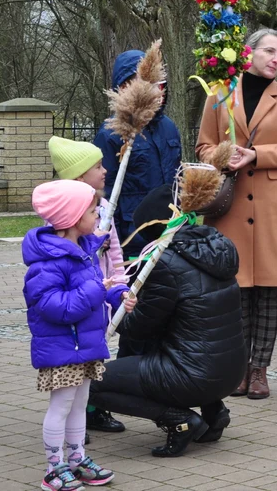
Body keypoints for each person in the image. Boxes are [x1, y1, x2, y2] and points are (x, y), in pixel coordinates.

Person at [89, 185, 247, 458]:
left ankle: (179, 420)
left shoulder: (164, 263)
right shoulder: (217, 246)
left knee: (93, 383)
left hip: (194, 375)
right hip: (231, 371)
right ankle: (214, 411)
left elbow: (137, 329)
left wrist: (117, 299)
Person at [196, 28, 277, 400]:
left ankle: (259, 371)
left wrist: (257, 156)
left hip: (273, 204)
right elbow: (202, 146)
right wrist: (221, 155)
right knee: (237, 290)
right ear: (249, 53)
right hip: (230, 206)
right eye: (270, 51)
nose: (276, 59)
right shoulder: (220, 92)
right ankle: (239, 368)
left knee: (268, 290)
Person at [24, 180, 133, 491]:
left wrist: (118, 295)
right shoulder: (47, 264)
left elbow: (98, 289)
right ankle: (53, 468)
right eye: (92, 211)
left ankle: (77, 458)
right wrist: (98, 289)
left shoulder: (84, 252)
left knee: (80, 402)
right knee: (61, 406)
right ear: (72, 218)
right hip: (62, 349)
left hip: (84, 345)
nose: (98, 216)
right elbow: (57, 308)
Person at [48, 136, 130, 436]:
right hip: (78, 301)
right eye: (97, 166)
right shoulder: (64, 215)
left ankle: (93, 411)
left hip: (102, 296)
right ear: (80, 176)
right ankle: (72, 423)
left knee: (97, 353)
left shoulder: (104, 207)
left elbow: (116, 252)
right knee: (78, 360)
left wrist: (120, 287)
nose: (105, 170)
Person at [94, 49, 182, 263]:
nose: (155, 89)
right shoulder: (111, 133)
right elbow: (104, 191)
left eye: (157, 82)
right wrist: (109, 235)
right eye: (146, 82)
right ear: (125, 86)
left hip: (170, 231)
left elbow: (176, 177)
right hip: (133, 235)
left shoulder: (168, 127)